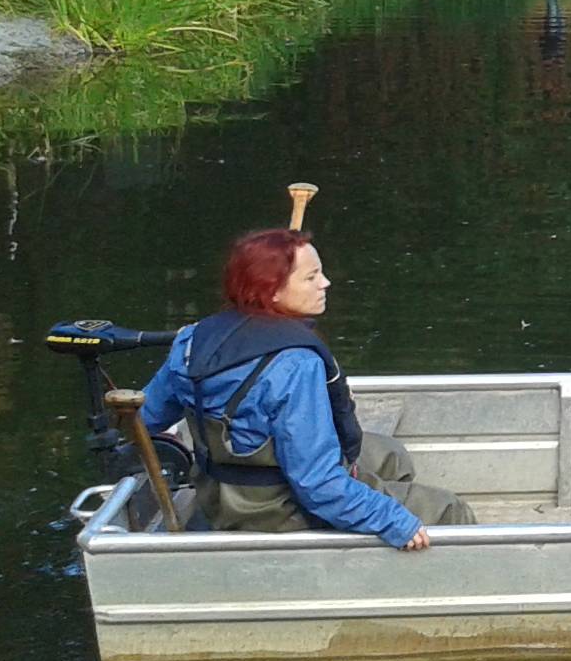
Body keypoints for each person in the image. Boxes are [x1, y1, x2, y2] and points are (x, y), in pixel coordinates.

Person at [138, 229, 473, 548]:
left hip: (216, 492)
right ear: (272, 291)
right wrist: (395, 520)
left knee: (389, 456)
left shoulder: (191, 339)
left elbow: (147, 418)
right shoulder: (295, 364)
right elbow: (316, 483)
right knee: (448, 509)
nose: (325, 283)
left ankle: (372, 535)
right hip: (274, 509)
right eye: (311, 277)